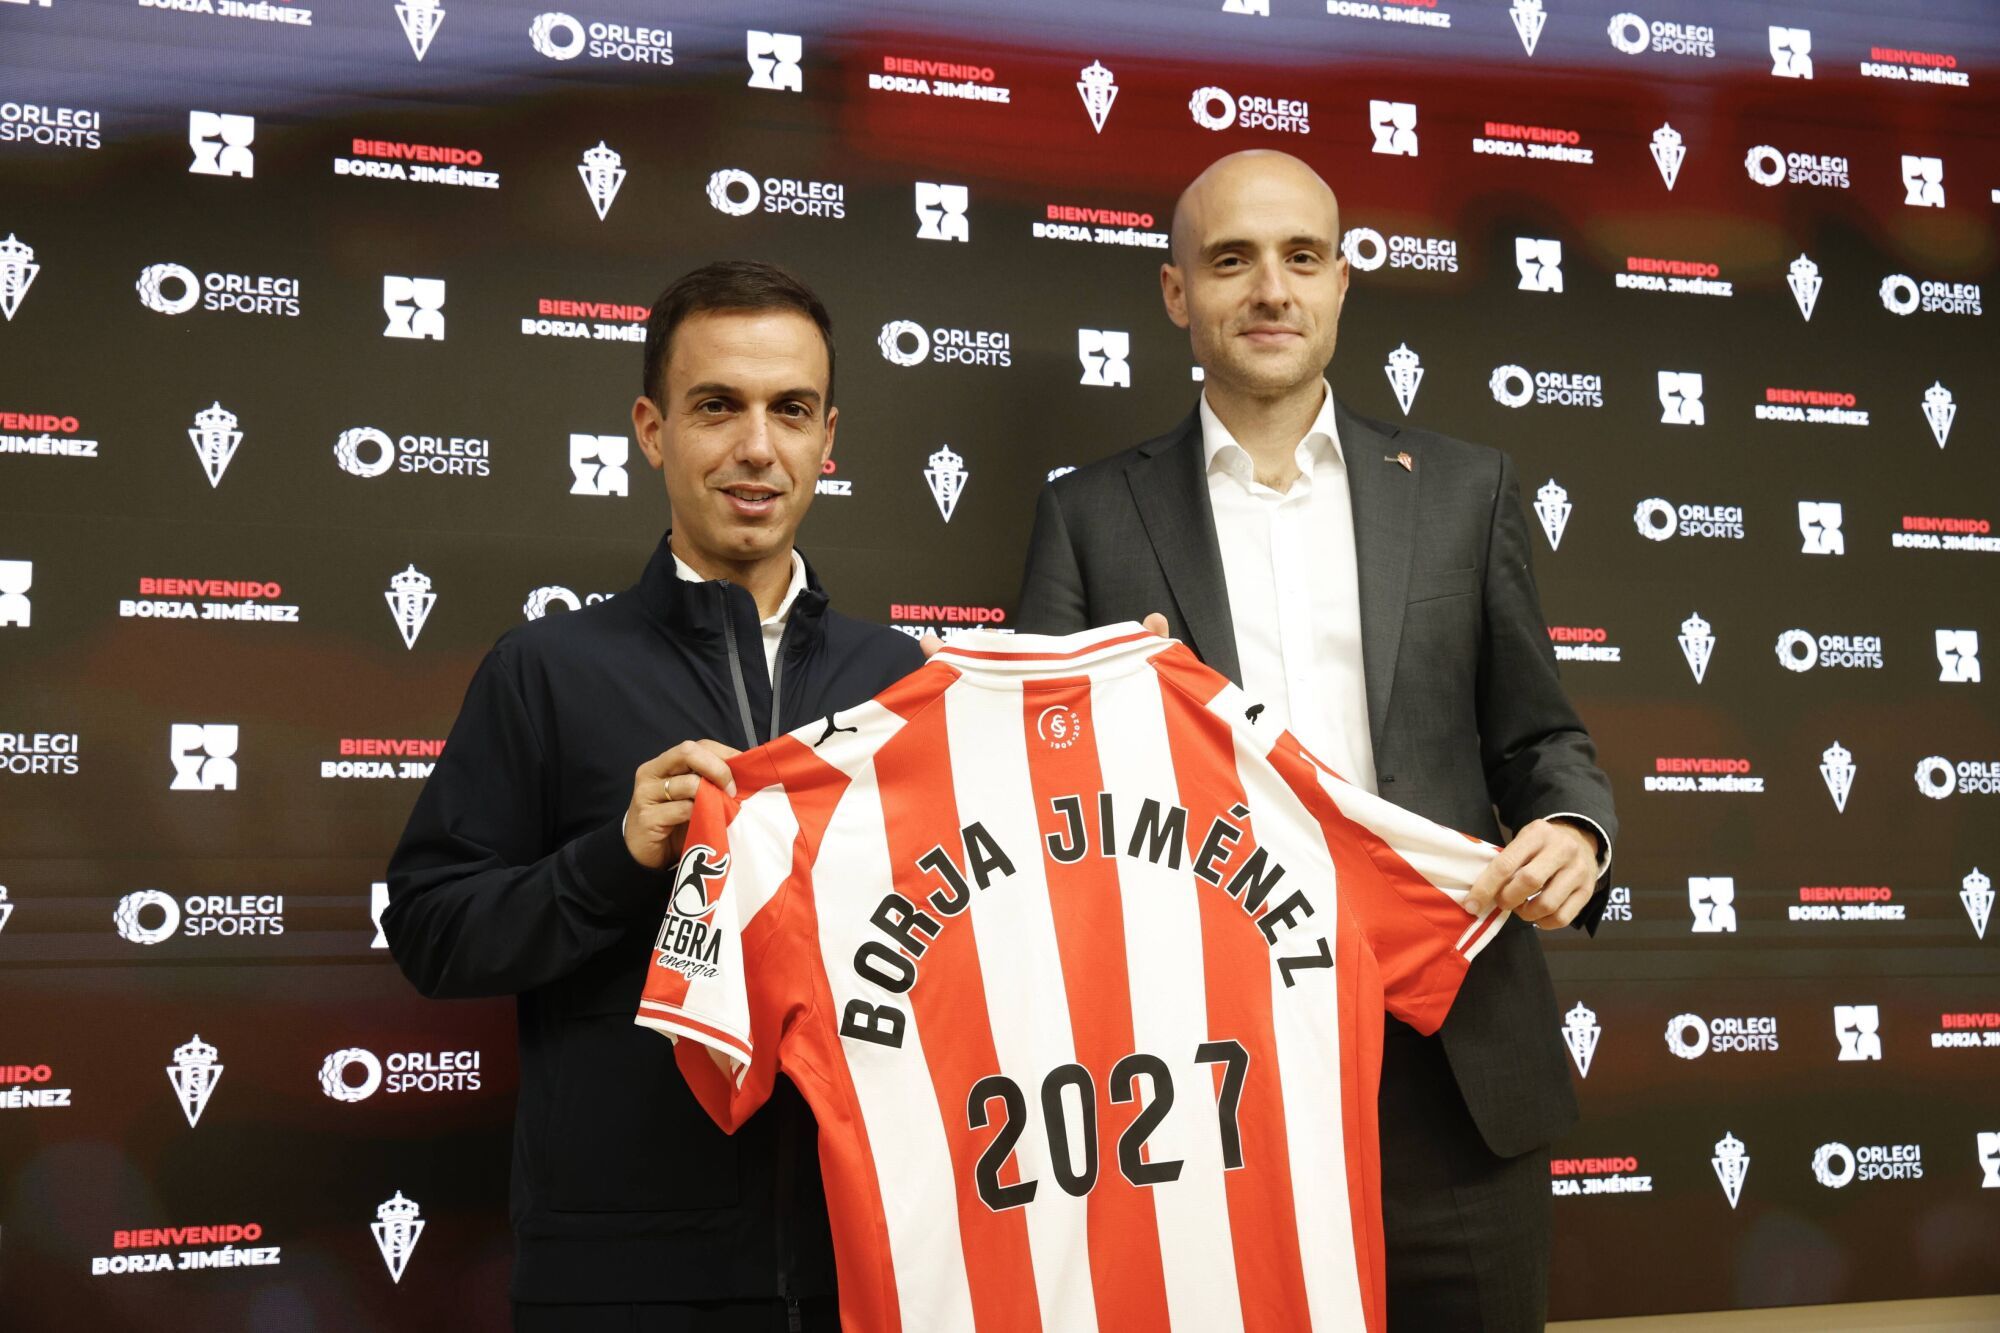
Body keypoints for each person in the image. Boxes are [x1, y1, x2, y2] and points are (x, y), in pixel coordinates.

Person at [1015, 149, 1617, 1330]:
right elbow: (1037, 791)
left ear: (1343, 283)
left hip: (1449, 1064)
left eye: (1301, 257)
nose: (1270, 290)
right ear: (1174, 292)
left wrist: (1573, 825)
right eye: (1230, 260)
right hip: (1200, 1082)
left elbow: (1540, 735)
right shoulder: (1086, 516)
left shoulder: (1463, 491)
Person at [382, 260, 921, 1331]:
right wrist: (613, 857)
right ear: (651, 427)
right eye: (716, 405)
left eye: (790, 410)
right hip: (617, 1276)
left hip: (864, 1258)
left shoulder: (901, 677)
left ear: (828, 439)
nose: (755, 446)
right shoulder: (545, 668)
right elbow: (433, 933)